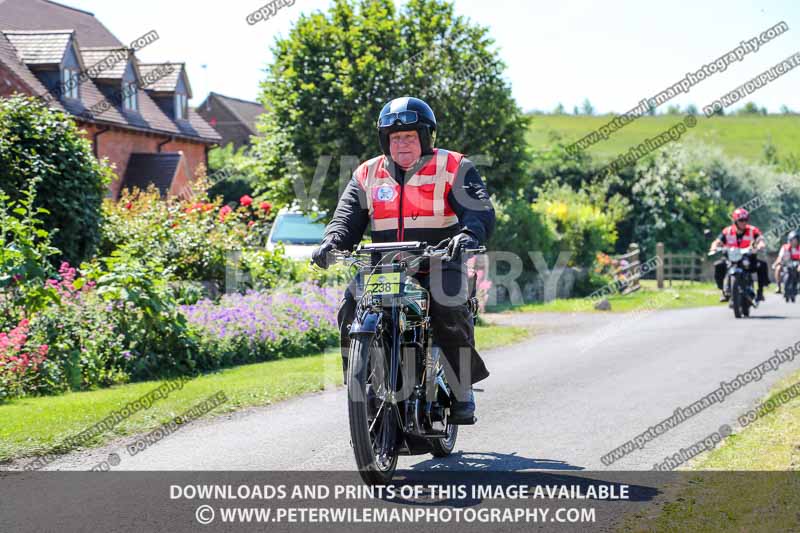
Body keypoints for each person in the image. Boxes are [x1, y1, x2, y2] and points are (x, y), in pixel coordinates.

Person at [311, 96, 495, 423]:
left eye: (410, 136)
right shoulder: (368, 173)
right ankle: (363, 383)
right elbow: (345, 218)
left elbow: (478, 210)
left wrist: (468, 235)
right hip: (385, 265)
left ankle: (461, 386)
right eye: (395, 138)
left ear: (425, 137)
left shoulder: (452, 165)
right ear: (385, 141)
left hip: (439, 259)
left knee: (447, 305)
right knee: (350, 307)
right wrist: (332, 242)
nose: (402, 144)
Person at [709, 208, 769, 303]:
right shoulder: (727, 231)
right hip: (731, 258)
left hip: (748, 258)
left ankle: (760, 292)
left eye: (745, 220)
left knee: (762, 265)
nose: (743, 222)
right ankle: (723, 291)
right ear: (735, 221)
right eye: (741, 220)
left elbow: (760, 239)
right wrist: (714, 247)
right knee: (718, 265)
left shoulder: (752, 230)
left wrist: (760, 245)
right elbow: (717, 241)